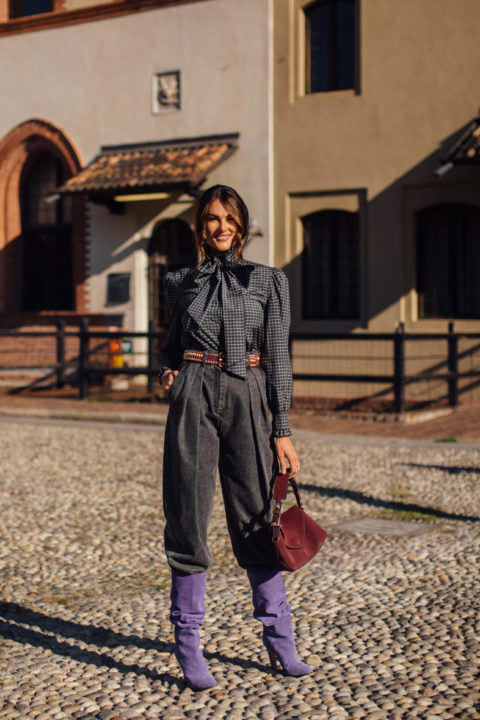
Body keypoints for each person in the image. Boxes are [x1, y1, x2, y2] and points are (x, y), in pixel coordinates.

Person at [159, 184, 312, 690]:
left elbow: (278, 358)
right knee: (187, 515)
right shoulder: (180, 280)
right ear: (199, 227)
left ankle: (280, 641)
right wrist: (168, 372)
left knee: (256, 517)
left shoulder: (268, 281)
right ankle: (188, 645)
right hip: (194, 393)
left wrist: (282, 428)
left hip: (248, 396)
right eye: (210, 219)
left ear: (241, 224)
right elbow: (170, 343)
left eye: (228, 218)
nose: (220, 226)